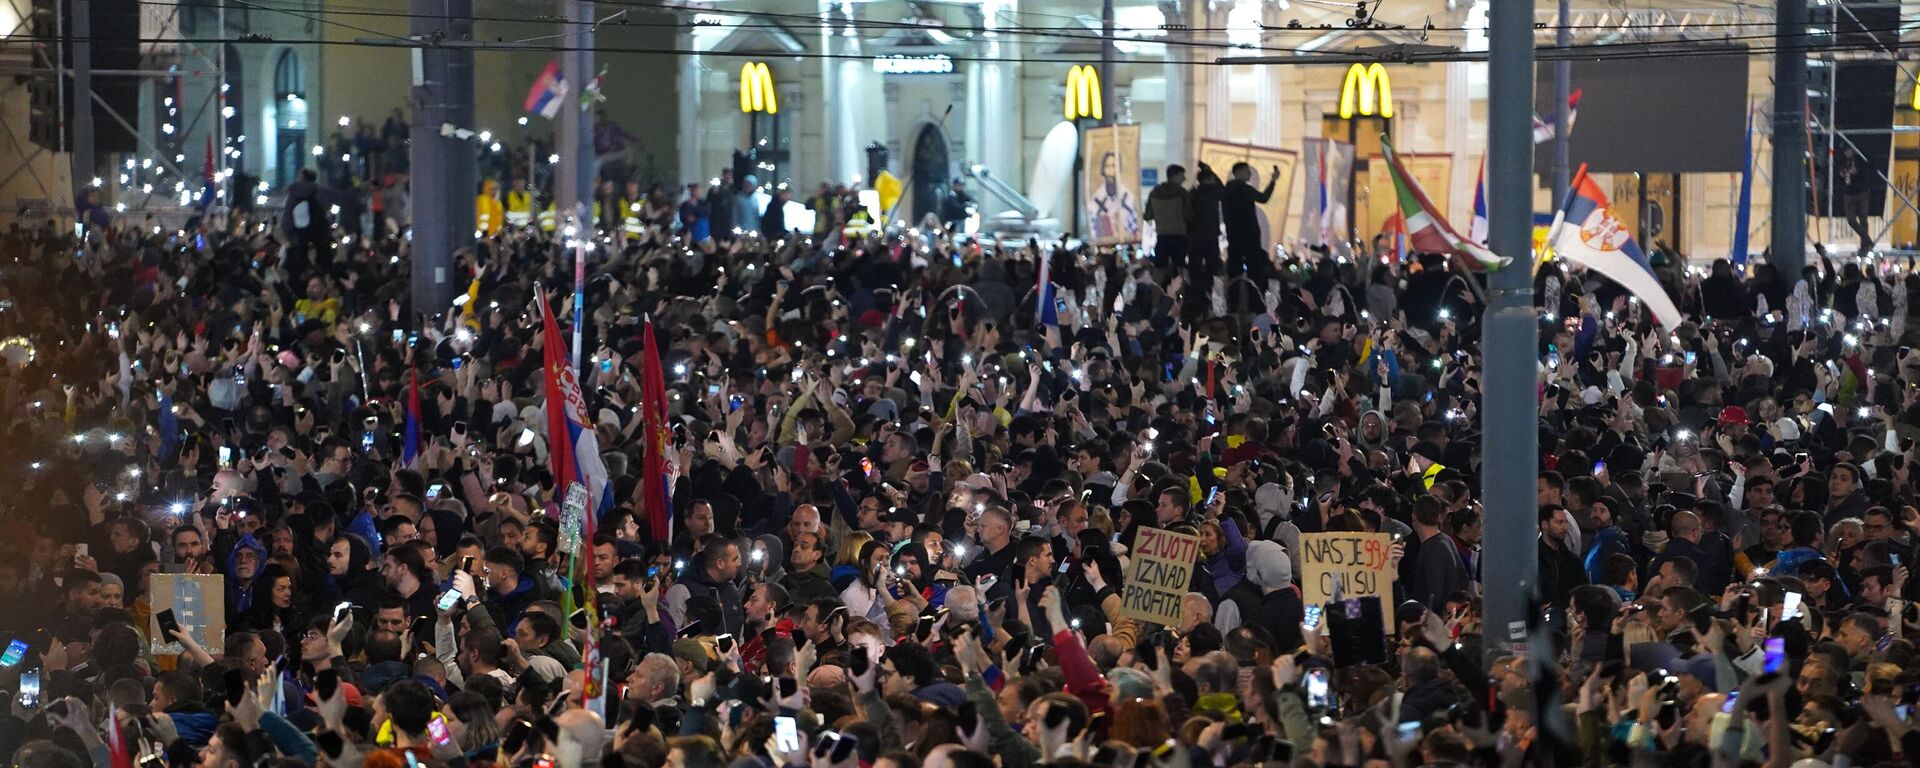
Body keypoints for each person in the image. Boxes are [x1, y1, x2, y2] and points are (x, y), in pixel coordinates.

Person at [1221, 161, 1278, 285]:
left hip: (1233, 234)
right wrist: (1273, 181)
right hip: (1249, 234)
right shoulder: (1244, 188)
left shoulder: (1226, 190)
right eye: (1247, 171)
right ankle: (1253, 293)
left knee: (1235, 267)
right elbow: (1263, 198)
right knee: (1254, 269)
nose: (1250, 174)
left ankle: (1233, 292)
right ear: (1239, 172)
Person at [1144, 164, 1191, 274]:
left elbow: (1148, 216)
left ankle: (1157, 291)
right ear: (1174, 176)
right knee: (1179, 269)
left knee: (1160, 268)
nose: (1184, 179)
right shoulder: (1182, 193)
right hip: (1179, 235)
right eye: (1182, 175)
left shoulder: (1154, 192)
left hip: (1162, 235)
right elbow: (1189, 215)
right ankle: (1179, 291)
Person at [1088, 151, 1139, 243]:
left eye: (1114, 166)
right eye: (1107, 166)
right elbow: (1093, 228)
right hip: (1103, 246)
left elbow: (1133, 228)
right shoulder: (1096, 199)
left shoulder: (1128, 197)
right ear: (1103, 169)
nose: (1111, 171)